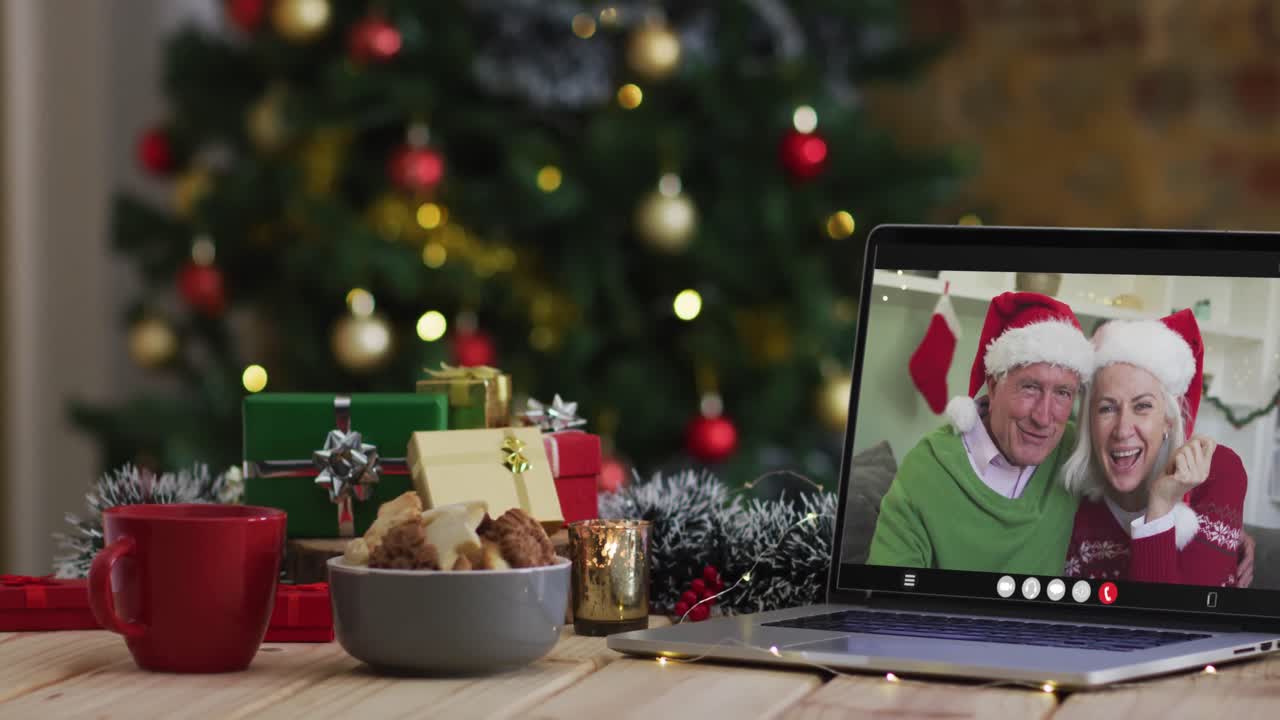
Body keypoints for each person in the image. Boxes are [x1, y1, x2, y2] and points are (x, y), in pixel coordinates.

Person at [868, 292, 1094, 574]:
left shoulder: (1075, 452)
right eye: (1030, 388)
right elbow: (886, 594)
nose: (1043, 417)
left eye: (1063, 393)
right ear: (994, 385)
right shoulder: (927, 468)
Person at [1060, 309, 1248, 587]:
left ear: (1169, 420)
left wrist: (1159, 506)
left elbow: (1178, 622)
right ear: (1089, 422)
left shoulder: (1218, 471)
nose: (1123, 429)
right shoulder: (1074, 499)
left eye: (1143, 406)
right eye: (1107, 408)